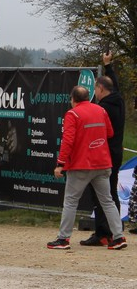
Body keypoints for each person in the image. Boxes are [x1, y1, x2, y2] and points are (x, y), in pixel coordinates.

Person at [47, 86, 127, 250]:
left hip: (81, 165)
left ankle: (63, 239)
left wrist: (60, 164)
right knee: (108, 201)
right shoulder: (100, 110)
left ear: (73, 99)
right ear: (88, 97)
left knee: (70, 202)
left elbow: (67, 141)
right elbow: (110, 133)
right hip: (103, 163)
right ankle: (118, 237)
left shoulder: (73, 113)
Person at [81, 52, 126, 246]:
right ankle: (110, 232)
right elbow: (114, 85)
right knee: (109, 194)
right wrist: (108, 66)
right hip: (115, 153)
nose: (95, 93)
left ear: (100, 89)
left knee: (101, 195)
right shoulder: (118, 99)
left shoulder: (103, 108)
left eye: (96, 89)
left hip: (104, 154)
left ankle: (103, 233)